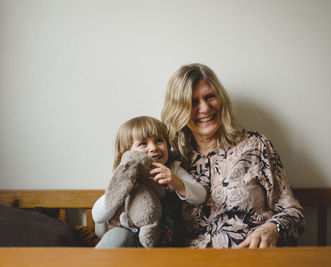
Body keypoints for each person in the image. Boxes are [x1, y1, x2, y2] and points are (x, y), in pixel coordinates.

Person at [161, 63, 304, 248]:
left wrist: (272, 228)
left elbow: (294, 213)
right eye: (193, 102)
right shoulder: (174, 162)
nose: (204, 108)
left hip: (250, 259)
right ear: (179, 110)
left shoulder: (255, 146)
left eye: (209, 97)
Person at [92, 116, 207, 248]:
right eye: (143, 144)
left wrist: (178, 183)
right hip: (130, 234)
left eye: (159, 141)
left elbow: (201, 196)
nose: (153, 148)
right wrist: (121, 189)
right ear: (127, 153)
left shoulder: (173, 169)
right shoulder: (125, 174)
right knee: (116, 237)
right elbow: (97, 217)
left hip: (165, 239)